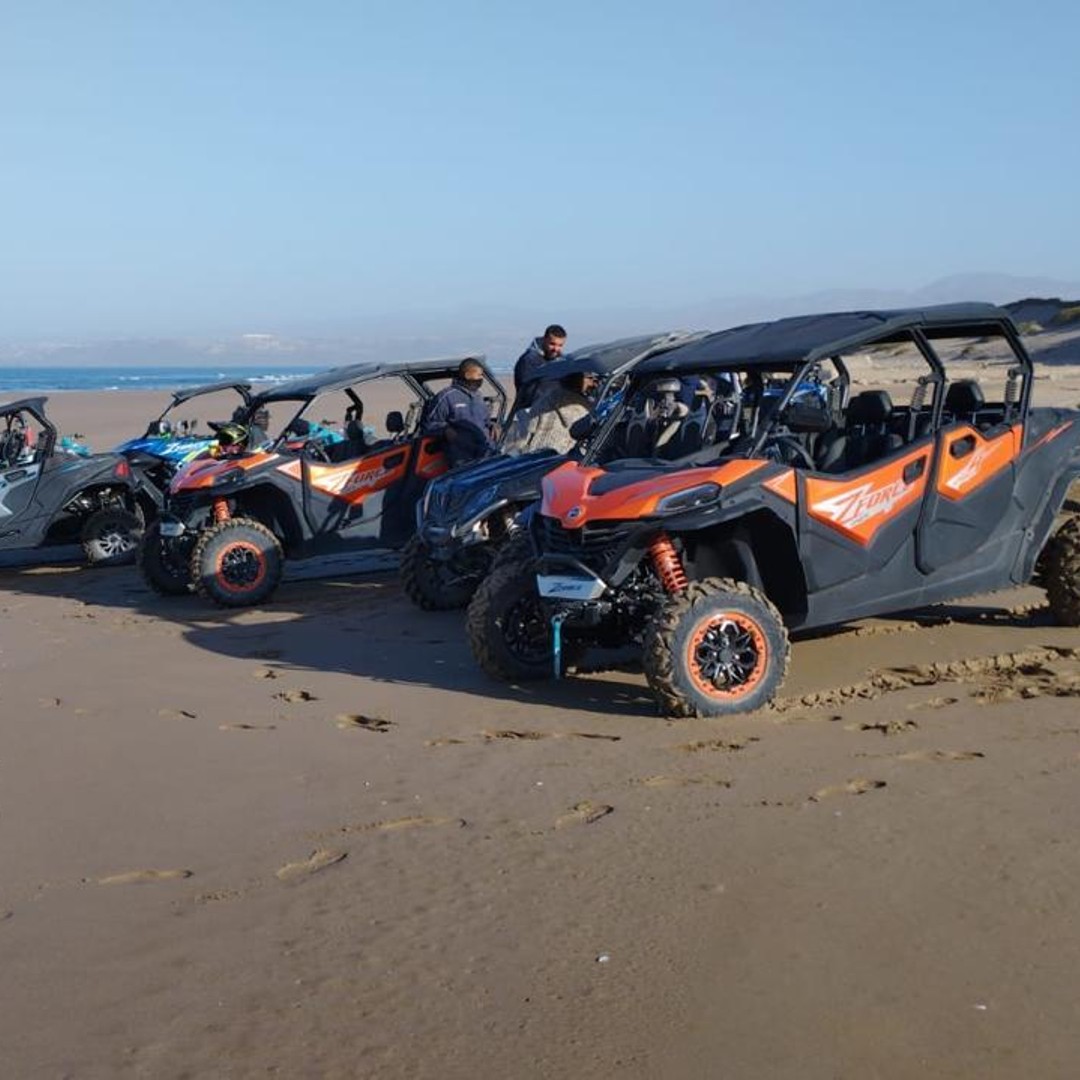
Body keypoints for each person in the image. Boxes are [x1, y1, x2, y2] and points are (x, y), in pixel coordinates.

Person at [503, 371, 598, 455]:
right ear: (578, 379)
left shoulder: (545, 399)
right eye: (590, 378)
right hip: (560, 458)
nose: (594, 383)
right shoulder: (582, 406)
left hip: (535, 453)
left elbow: (529, 428)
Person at [422, 358, 493, 465]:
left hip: (485, 450)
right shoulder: (446, 396)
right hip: (461, 455)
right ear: (467, 375)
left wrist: (493, 425)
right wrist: (445, 430)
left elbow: (485, 421)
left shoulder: (478, 396)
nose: (481, 378)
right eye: (479, 375)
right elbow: (429, 424)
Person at [513, 324, 567, 407]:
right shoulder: (529, 360)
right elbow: (528, 391)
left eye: (560, 345)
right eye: (552, 344)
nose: (556, 349)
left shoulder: (559, 360)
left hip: (550, 406)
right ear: (544, 340)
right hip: (529, 409)